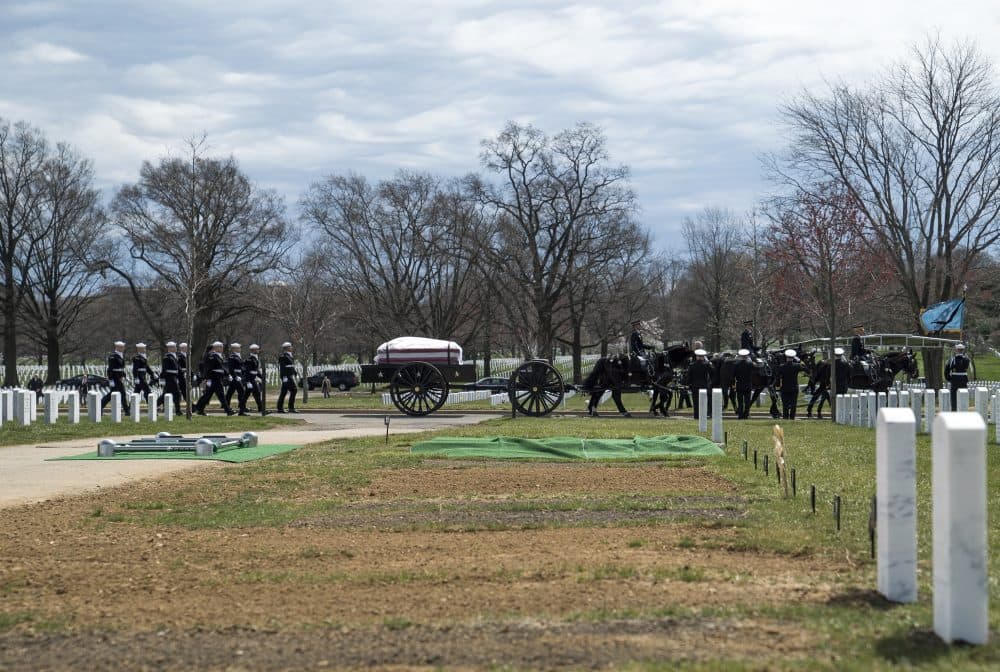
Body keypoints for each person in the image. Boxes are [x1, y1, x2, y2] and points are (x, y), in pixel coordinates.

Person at [194, 341, 234, 416]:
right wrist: (207, 379)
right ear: (216, 348)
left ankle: (199, 408)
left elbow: (222, 367)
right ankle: (228, 411)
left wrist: (227, 375)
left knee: (207, 396)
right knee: (221, 395)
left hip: (217, 378)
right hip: (214, 379)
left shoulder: (218, 356)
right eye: (220, 347)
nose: (222, 348)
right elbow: (208, 368)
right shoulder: (211, 356)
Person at [101, 340, 131, 414]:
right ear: (117, 347)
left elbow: (120, 368)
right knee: (116, 394)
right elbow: (110, 369)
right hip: (114, 378)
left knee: (116, 394)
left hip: (119, 378)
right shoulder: (113, 356)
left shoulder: (120, 355)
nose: (123, 348)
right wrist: (111, 380)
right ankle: (126, 410)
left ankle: (126, 410)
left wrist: (124, 375)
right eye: (121, 347)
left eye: (123, 347)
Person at [777, 349, 804, 420]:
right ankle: (792, 417)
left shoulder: (782, 366)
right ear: (793, 357)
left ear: (786, 357)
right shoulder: (797, 366)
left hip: (784, 388)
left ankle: (785, 417)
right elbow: (806, 369)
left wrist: (777, 385)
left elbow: (777, 377)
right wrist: (800, 361)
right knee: (793, 404)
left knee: (785, 404)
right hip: (794, 388)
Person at [688, 349, 714, 419]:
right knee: (703, 402)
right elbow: (712, 374)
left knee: (696, 402)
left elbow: (689, 377)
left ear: (696, 357)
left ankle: (696, 416)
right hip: (704, 386)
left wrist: (688, 384)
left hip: (694, 386)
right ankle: (703, 416)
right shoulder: (707, 364)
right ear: (703, 357)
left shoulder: (692, 365)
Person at [225, 343, 249, 416]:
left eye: (239, 348)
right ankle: (242, 409)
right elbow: (231, 368)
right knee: (241, 392)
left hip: (238, 376)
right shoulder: (232, 357)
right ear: (234, 349)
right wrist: (235, 376)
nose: (240, 349)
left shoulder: (238, 356)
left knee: (230, 393)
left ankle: (227, 407)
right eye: (238, 348)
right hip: (235, 376)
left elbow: (241, 366)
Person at [945, 343, 971, 410]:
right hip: (963, 380)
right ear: (963, 350)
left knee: (954, 398)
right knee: (963, 397)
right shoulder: (967, 360)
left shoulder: (951, 360)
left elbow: (946, 371)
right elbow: (969, 371)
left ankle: (954, 411)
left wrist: (949, 379)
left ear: (956, 350)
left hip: (954, 380)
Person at [158, 341, 182, 414]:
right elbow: (164, 369)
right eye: (174, 347)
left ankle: (154, 406)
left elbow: (177, 368)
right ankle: (178, 411)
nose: (175, 348)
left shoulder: (174, 356)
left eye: (175, 346)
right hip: (170, 378)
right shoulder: (167, 357)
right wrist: (162, 378)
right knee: (177, 393)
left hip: (174, 377)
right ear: (170, 348)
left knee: (165, 395)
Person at [276, 341, 299, 413]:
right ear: (286, 348)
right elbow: (283, 368)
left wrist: (295, 374)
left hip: (290, 376)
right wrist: (284, 377)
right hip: (287, 377)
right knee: (294, 390)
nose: (291, 348)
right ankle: (290, 408)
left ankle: (280, 408)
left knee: (283, 392)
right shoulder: (283, 357)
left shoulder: (290, 356)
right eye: (290, 347)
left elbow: (291, 367)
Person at [243, 344, 266, 415]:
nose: (258, 350)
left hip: (253, 379)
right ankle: (260, 408)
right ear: (252, 350)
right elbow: (247, 371)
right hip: (250, 380)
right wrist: (248, 382)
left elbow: (256, 371)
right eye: (256, 349)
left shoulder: (255, 358)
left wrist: (263, 377)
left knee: (247, 395)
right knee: (256, 393)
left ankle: (242, 407)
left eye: (258, 349)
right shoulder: (250, 359)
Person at [734, 348, 753, 419]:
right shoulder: (750, 364)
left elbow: (734, 375)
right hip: (748, 384)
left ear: (740, 356)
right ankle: (746, 414)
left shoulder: (736, 364)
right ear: (747, 356)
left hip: (739, 384)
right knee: (747, 401)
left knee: (740, 401)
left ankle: (740, 415)